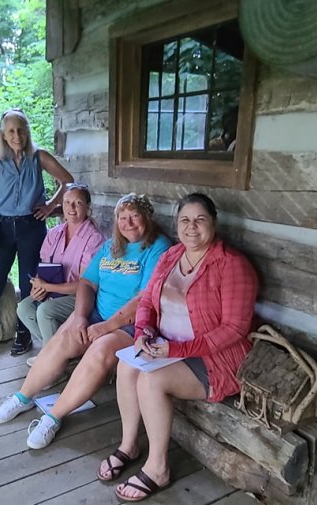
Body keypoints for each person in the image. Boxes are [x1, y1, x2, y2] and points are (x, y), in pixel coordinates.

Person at [102, 193, 258, 502]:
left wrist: (175, 350)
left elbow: (235, 329)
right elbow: (147, 300)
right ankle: (129, 444)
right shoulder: (171, 256)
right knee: (126, 365)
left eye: (200, 220)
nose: (192, 227)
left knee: (151, 379)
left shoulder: (232, 265)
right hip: (165, 346)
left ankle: (158, 468)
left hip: (214, 358)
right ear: (177, 224)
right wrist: (144, 331)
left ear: (213, 223)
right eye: (185, 220)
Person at [0, 193, 170, 450]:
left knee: (99, 350)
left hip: (132, 325)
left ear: (147, 218)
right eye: (122, 217)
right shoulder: (111, 246)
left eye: (135, 216)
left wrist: (106, 327)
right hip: (97, 314)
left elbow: (145, 298)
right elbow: (87, 282)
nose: (128, 223)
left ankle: (53, 416)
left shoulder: (157, 247)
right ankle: (23, 397)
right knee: (64, 337)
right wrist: (81, 317)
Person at [0, 108, 74, 362]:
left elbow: (67, 180)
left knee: (29, 284)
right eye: (11, 131)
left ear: (27, 132)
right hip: (1, 228)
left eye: (21, 130)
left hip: (31, 227)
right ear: (3, 134)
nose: (17, 135)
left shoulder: (39, 157)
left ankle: (23, 333)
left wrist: (49, 207)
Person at [16, 182, 106, 365]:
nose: (71, 208)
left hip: (82, 297)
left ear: (88, 207)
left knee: (46, 311)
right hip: (54, 291)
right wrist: (38, 288)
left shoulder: (94, 238)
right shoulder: (54, 233)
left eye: (78, 203)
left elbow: (86, 284)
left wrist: (49, 287)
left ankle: (52, 365)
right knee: (24, 308)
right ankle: (59, 352)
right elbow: (44, 269)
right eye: (67, 203)